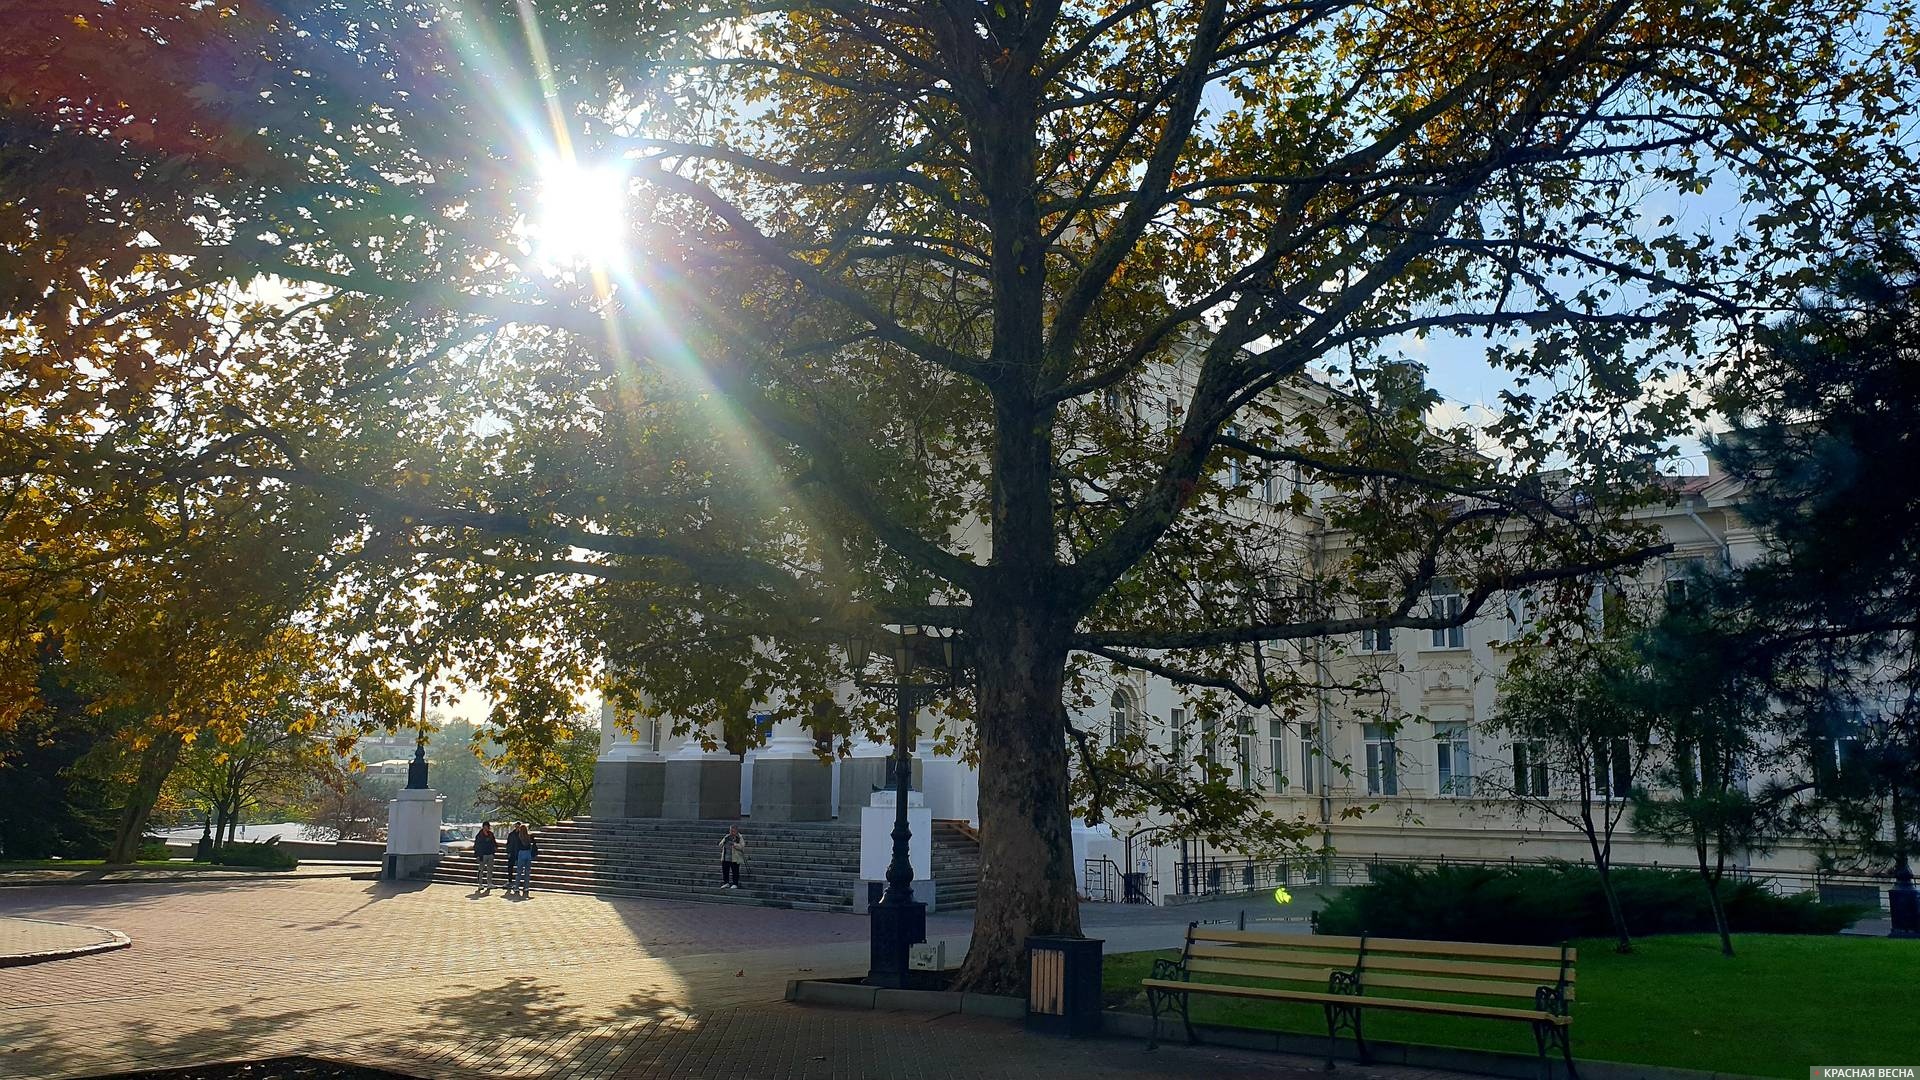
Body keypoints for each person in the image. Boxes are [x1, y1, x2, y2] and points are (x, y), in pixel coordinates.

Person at [508, 823, 538, 896]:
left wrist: (515, 857)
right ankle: (526, 887)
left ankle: (517, 887)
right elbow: (534, 844)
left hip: (521, 854)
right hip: (528, 854)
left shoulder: (519, 837)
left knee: (519, 872)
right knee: (527, 872)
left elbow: (517, 848)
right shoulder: (529, 836)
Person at [719, 825, 746, 889]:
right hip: (725, 857)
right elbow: (720, 845)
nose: (731, 832)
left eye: (733, 831)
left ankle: (735, 883)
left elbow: (742, 847)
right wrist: (724, 841)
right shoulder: (727, 836)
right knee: (725, 871)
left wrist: (734, 844)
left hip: (735, 858)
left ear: (736, 831)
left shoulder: (739, 837)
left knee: (735, 871)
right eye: (730, 830)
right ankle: (726, 883)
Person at [473, 822, 499, 891]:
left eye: (488, 827)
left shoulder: (491, 834)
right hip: (482, 855)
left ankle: (489, 883)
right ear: (483, 827)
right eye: (485, 827)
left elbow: (494, 842)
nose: (487, 828)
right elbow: (476, 846)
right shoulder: (479, 835)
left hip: (490, 854)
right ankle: (480, 884)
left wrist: (495, 849)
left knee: (490, 870)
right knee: (481, 870)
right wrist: (477, 855)